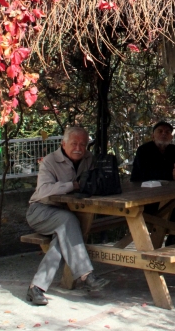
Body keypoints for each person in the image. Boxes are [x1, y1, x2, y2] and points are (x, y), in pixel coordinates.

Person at [25, 127, 109, 306]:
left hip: (65, 216)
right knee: (69, 221)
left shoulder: (88, 159)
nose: (79, 148)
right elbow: (43, 190)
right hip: (41, 211)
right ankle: (86, 275)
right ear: (63, 144)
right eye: (74, 144)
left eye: (83, 144)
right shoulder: (49, 161)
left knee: (63, 235)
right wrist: (74, 185)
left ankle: (36, 288)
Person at [130, 121, 175, 246]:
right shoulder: (144, 150)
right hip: (146, 199)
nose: (164, 134)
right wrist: (171, 175)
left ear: (171, 136)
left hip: (167, 196)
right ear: (153, 135)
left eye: (167, 132)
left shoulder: (173, 150)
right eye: (160, 131)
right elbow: (143, 174)